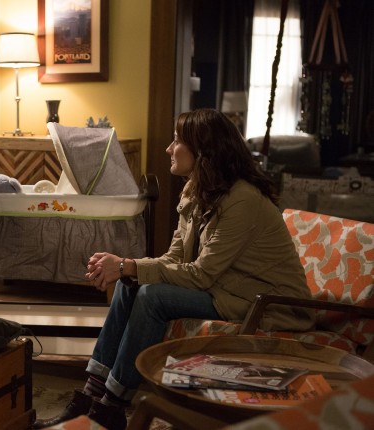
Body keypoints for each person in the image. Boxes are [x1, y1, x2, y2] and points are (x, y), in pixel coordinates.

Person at [33, 109, 315, 430]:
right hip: (223, 290)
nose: (169, 148)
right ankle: (89, 397)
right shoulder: (196, 190)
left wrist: (127, 265)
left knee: (151, 296)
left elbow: (201, 274)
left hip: (265, 303)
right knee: (130, 284)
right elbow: (174, 259)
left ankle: (112, 405)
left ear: (204, 151)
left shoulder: (243, 200)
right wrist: (127, 269)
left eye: (178, 141)